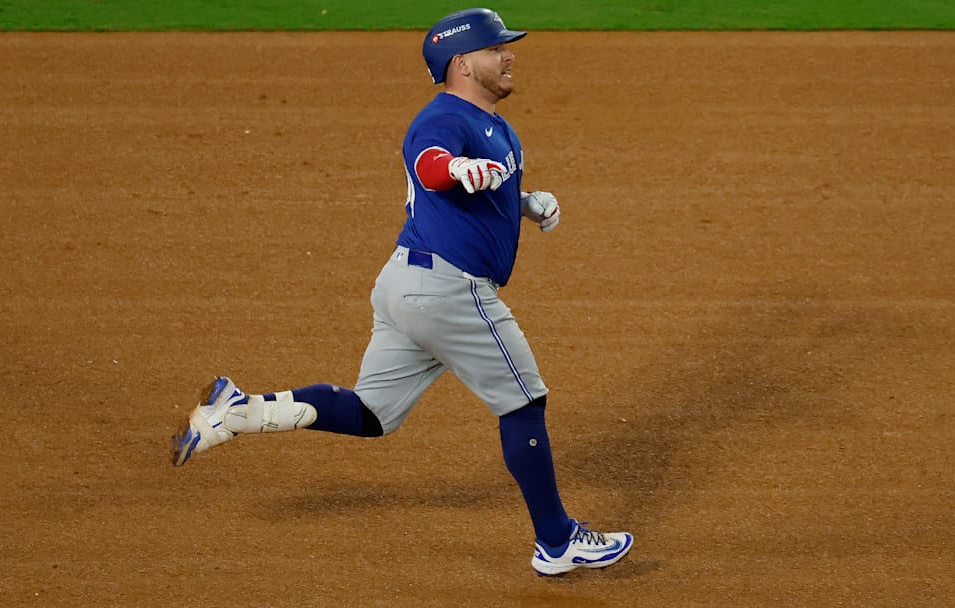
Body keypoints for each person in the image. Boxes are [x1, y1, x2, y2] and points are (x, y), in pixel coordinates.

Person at [171, 7, 633, 576]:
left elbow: (470, 189)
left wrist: (522, 204)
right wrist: (458, 171)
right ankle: (558, 542)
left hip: (406, 286)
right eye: (496, 49)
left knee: (372, 414)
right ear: (462, 64)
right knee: (523, 401)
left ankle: (241, 413)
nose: (510, 55)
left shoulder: (497, 125)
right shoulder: (441, 118)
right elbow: (431, 165)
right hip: (448, 289)